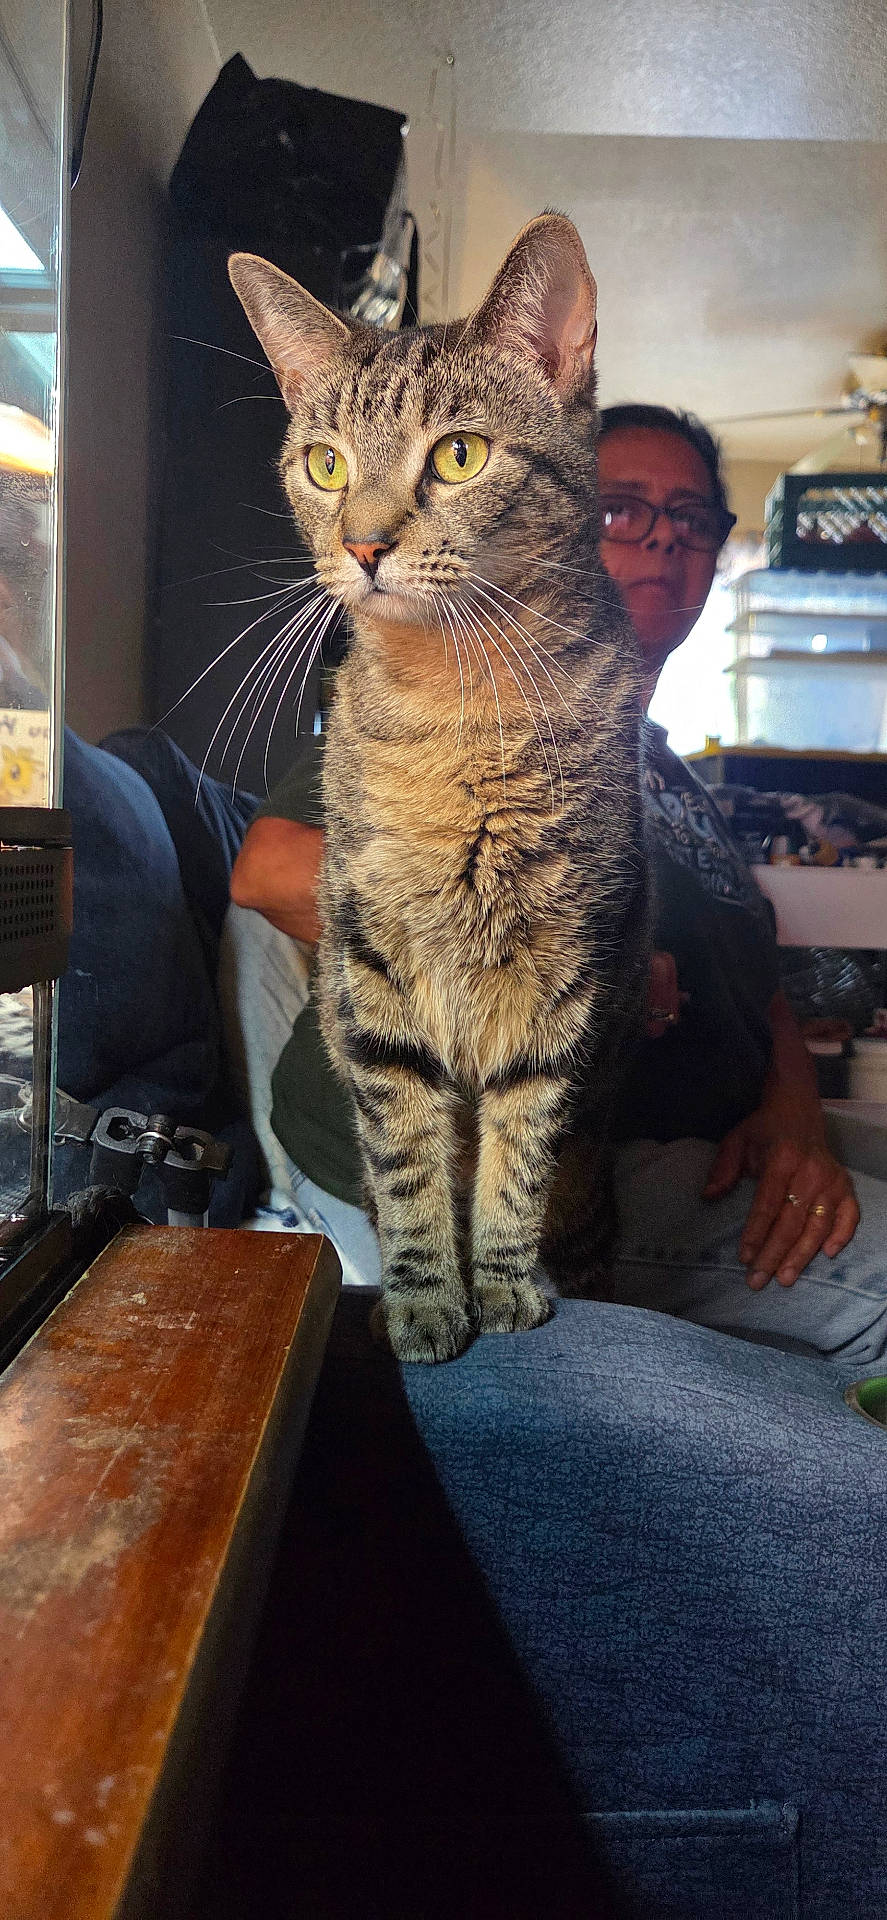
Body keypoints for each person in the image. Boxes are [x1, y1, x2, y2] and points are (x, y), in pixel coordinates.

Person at [220, 401, 887, 1365]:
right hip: (549, 1159)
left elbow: (761, 981)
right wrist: (557, 943)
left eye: (691, 518)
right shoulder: (436, 685)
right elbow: (270, 869)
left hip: (736, 1126)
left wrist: (794, 1112)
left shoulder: (664, 763)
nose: (662, 539)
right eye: (622, 508)